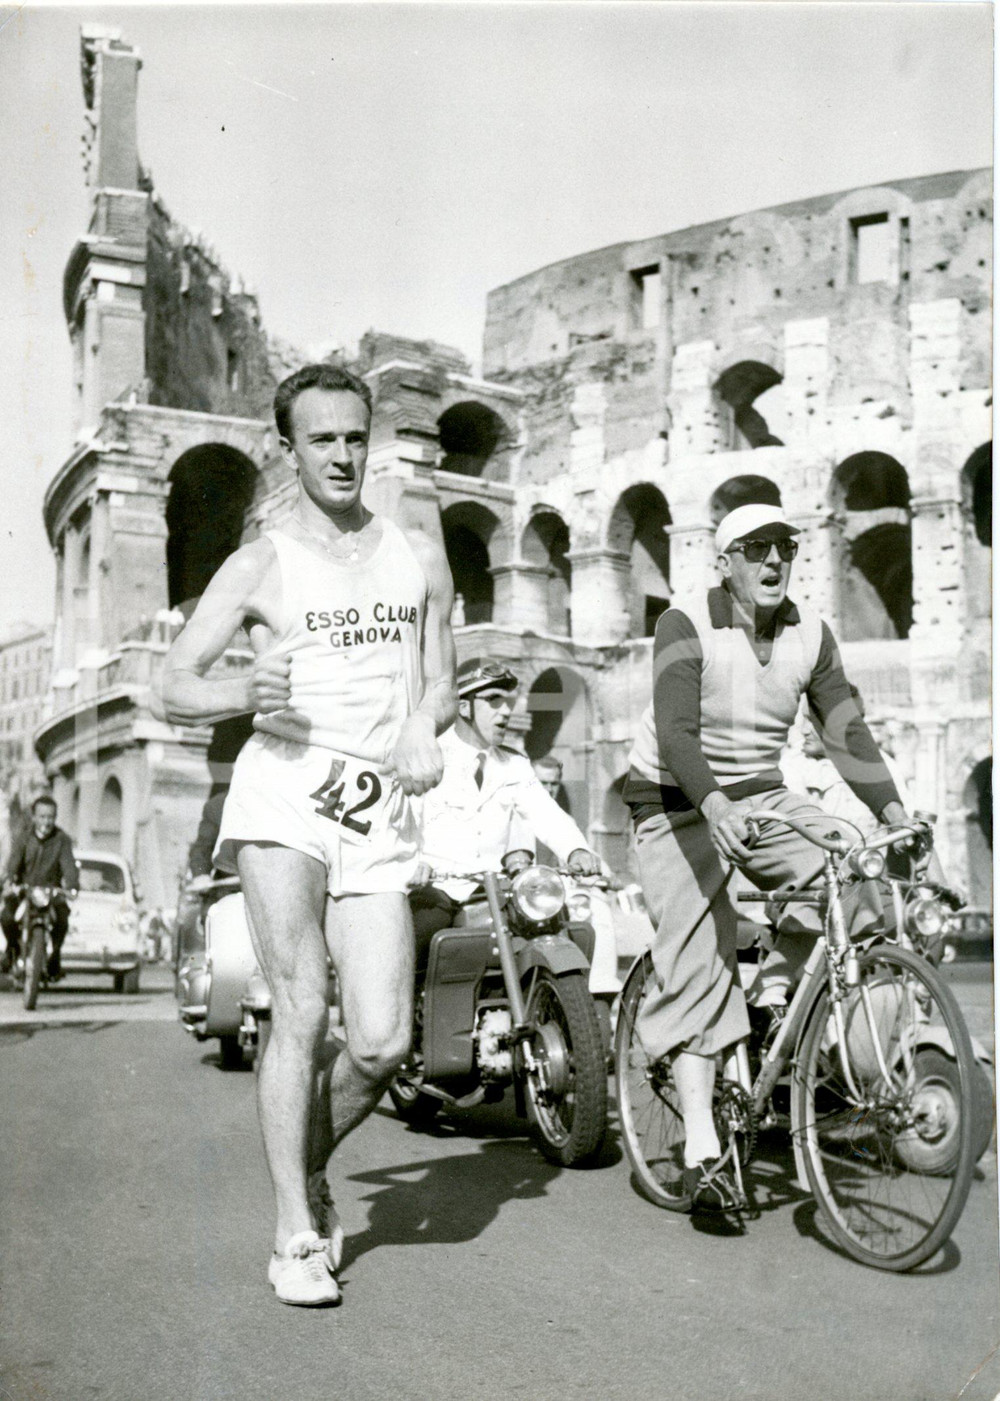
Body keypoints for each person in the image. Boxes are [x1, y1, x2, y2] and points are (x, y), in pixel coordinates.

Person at [162, 362, 456, 1307]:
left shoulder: (412, 546)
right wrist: (238, 691)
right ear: (289, 448)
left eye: (353, 436)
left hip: (377, 806)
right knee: (302, 1004)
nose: (341, 453)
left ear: (371, 440)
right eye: (320, 438)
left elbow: (442, 674)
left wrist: (424, 723)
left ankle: (303, 1160)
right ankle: (294, 1230)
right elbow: (172, 682)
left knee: (377, 1040)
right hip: (286, 792)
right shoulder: (262, 562)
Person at [623, 502, 911, 1211]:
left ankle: (776, 992)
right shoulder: (684, 621)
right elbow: (677, 730)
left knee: (862, 879)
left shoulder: (810, 633)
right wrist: (715, 807)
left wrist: (895, 814)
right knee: (699, 956)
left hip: (761, 791)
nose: (773, 560)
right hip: (675, 798)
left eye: (784, 546)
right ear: (726, 563)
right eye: (754, 549)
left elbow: (844, 729)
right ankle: (700, 1147)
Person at [409, 659, 620, 1002]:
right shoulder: (429, 757)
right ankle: (399, 1030)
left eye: (507, 701)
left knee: (557, 926)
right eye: (493, 700)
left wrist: (576, 850)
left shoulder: (514, 765)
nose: (505, 712)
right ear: (462, 706)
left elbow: (547, 814)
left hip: (497, 893)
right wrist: (412, 863)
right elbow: (403, 819)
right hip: (436, 890)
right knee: (414, 939)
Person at [1, 794, 79, 979]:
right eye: (42, 816)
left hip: (51, 892)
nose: (46, 821)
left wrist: (73, 885)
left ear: (55, 817)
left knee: (62, 919)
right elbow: (14, 862)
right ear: (34, 817)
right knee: (6, 917)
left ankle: (55, 955)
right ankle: (12, 948)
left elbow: (68, 865)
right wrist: (10, 880)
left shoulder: (62, 840)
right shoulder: (23, 837)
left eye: (50, 817)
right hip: (24, 890)